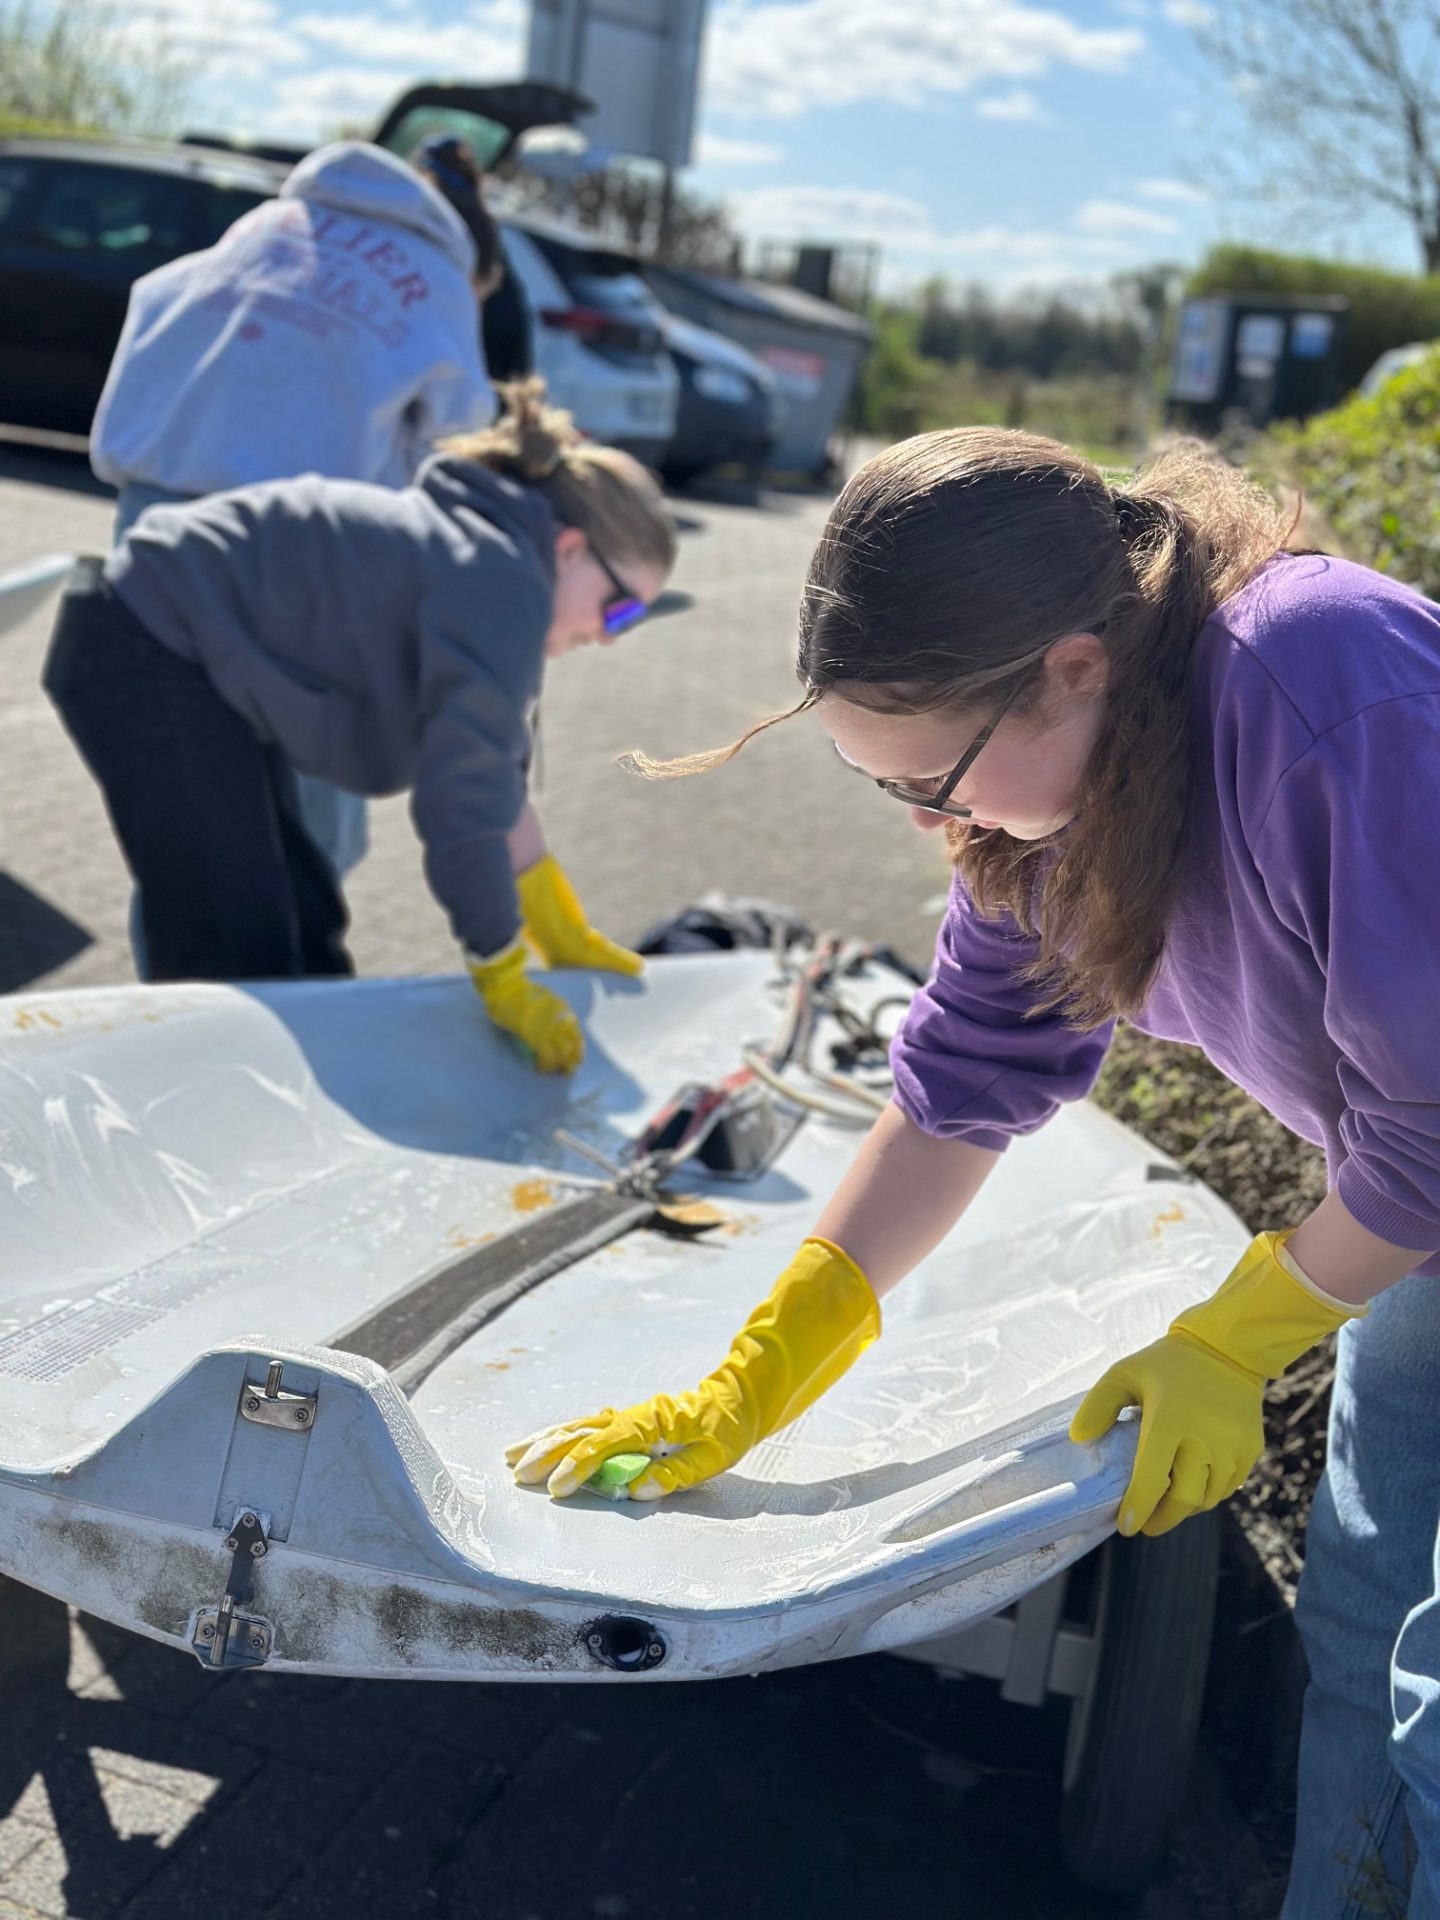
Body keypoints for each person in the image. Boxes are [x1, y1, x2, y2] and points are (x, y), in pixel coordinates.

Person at [508, 429, 1440, 1913]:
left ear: (1074, 665)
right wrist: (761, 1366)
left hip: (1418, 1196)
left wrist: (1235, 1334)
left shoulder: (1324, 679)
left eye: (932, 777)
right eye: (889, 792)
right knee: (1362, 1624)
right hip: (1418, 1244)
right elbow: (962, 1086)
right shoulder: (1040, 811)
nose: (935, 826)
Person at [45, 380, 674, 1074]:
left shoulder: (493, 558)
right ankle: (208, 1114)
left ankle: (279, 1102)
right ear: (571, 549)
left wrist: (558, 924)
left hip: (172, 651)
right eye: (619, 612)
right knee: (235, 943)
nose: (612, 637)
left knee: (307, 925)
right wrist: (498, 966)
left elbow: (494, 777)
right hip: (143, 646)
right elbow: (461, 801)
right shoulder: (504, 582)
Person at [89, 134, 505, 902]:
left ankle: (176, 1001)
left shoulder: (259, 231)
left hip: (149, 538)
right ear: (475, 264)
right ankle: (287, 997)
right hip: (297, 564)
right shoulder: (437, 277)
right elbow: (457, 446)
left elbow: (155, 308)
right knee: (309, 839)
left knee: (182, 819)